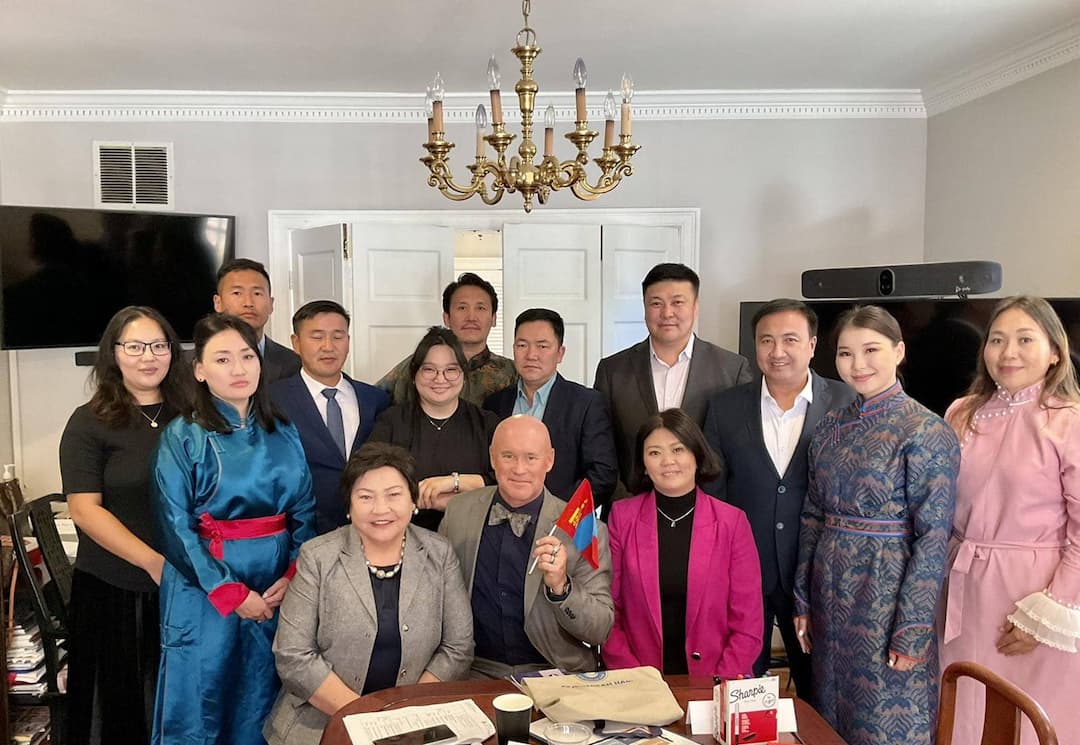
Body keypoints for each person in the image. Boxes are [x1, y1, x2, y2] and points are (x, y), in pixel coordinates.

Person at [793, 305, 959, 745]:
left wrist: (912, 628)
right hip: (830, 594)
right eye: (846, 353)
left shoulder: (926, 430)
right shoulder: (830, 427)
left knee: (886, 719)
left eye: (871, 350)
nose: (858, 364)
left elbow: (933, 537)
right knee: (829, 717)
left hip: (886, 596)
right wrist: (802, 598)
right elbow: (812, 515)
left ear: (898, 351)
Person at [151, 313, 316, 745]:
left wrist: (293, 575)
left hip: (275, 584)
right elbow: (175, 527)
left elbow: (303, 509)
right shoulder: (182, 436)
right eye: (222, 359)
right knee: (202, 698)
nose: (238, 368)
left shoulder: (283, 429)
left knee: (265, 696)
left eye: (247, 356)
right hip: (205, 588)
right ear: (200, 371)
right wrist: (231, 593)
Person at [263, 442, 474, 745]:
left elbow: (458, 647)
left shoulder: (439, 553)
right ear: (349, 507)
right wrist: (368, 717)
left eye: (394, 495)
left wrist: (407, 712)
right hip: (321, 722)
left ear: (413, 501)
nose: (380, 509)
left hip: (417, 719)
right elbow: (293, 655)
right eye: (365, 497)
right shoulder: (317, 557)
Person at [940, 295, 1080, 745]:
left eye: (1024, 339)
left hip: (1031, 591)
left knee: (1029, 716)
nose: (1008, 352)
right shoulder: (961, 413)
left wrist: (1047, 611)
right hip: (962, 584)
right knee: (963, 706)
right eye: (997, 340)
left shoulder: (1068, 422)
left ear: (1054, 351)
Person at [703, 298, 854, 700]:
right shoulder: (725, 406)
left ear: (812, 345)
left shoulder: (846, 403)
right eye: (766, 340)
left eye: (790, 339)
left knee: (817, 690)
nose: (777, 351)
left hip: (817, 572)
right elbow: (714, 492)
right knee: (739, 688)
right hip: (743, 570)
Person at [59, 306, 190, 744]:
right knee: (122, 716)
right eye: (134, 347)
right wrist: (154, 563)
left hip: (190, 585)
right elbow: (85, 510)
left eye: (158, 345)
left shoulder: (193, 414)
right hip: (116, 590)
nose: (148, 356)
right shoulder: (89, 421)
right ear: (113, 353)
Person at [439, 415, 614, 678]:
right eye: (508, 456)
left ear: (549, 460)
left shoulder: (582, 528)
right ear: (492, 457)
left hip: (554, 670)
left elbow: (599, 629)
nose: (519, 469)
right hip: (474, 669)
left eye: (531, 458)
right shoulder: (458, 512)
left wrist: (561, 587)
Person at [604, 409, 762, 678]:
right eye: (654, 453)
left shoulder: (732, 522)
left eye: (678, 449)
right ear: (643, 464)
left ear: (697, 455)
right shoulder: (622, 518)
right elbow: (609, 612)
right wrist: (637, 680)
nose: (668, 461)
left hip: (717, 681)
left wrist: (718, 684)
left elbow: (748, 621)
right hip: (640, 681)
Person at [594, 263, 753, 504]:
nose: (667, 313)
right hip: (631, 510)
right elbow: (602, 449)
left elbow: (740, 453)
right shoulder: (612, 370)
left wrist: (714, 510)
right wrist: (626, 505)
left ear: (695, 307)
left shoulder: (732, 369)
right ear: (644, 307)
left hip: (707, 512)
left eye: (678, 302)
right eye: (656, 303)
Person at [271, 300, 390, 534]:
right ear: (296, 343)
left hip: (369, 529)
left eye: (338, 336)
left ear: (348, 341)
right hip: (300, 531)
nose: (328, 346)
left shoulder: (375, 399)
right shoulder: (273, 399)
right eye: (317, 337)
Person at [370, 327, 500, 531]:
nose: (440, 379)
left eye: (451, 370)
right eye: (429, 369)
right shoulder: (391, 422)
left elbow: (506, 480)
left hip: (473, 536)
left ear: (464, 374)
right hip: (404, 535)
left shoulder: (487, 424)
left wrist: (455, 483)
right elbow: (367, 480)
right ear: (414, 374)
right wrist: (422, 499)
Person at [484, 308, 618, 504]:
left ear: (560, 353)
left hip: (561, 517)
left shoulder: (586, 403)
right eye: (522, 345)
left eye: (542, 346)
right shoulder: (495, 403)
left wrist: (558, 512)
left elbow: (602, 474)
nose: (531, 355)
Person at [377, 272, 516, 406]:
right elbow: (373, 400)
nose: (471, 317)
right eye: (462, 308)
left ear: (493, 318)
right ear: (447, 318)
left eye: (480, 308)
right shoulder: (419, 365)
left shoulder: (511, 372)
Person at [213, 257, 301, 383]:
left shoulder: (294, 363)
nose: (248, 303)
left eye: (257, 293)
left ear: (271, 304)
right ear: (218, 303)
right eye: (237, 293)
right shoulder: (191, 362)